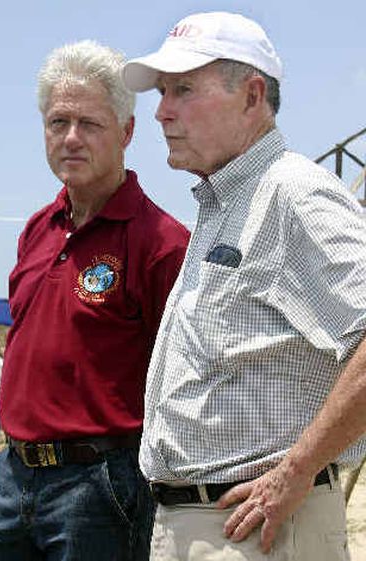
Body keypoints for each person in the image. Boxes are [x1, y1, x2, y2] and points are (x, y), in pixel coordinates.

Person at [122, 11, 366, 561]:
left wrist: (295, 472)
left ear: (252, 95)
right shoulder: (224, 202)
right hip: (207, 527)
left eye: (183, 90)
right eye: (161, 92)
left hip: (258, 531)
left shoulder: (292, 195)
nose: (161, 111)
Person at [0, 40, 189, 561]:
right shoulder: (36, 231)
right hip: (13, 476)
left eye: (89, 123)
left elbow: (185, 381)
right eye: (57, 122)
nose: (70, 138)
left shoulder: (162, 243)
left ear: (127, 132)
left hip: (100, 487)